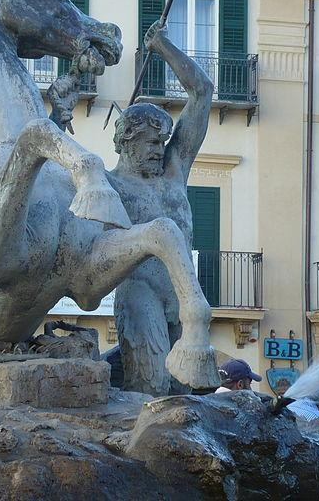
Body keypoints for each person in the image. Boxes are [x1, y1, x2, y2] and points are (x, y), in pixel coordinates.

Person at [105, 20, 215, 396]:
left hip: (182, 296)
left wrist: (163, 46)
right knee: (151, 391)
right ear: (125, 142)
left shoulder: (174, 170)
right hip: (140, 295)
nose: (158, 148)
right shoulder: (108, 186)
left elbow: (201, 91)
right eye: (150, 142)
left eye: (161, 140)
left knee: (188, 399)